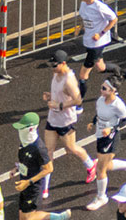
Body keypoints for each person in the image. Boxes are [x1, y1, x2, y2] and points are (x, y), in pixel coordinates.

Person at [83, 73, 126, 210]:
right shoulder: (101, 100)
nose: (101, 90)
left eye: (104, 88)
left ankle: (102, 197)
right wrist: (93, 122)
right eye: (102, 87)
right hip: (100, 134)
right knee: (105, 166)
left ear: (113, 90)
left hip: (111, 138)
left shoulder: (118, 105)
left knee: (100, 169)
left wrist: (111, 128)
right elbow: (99, 113)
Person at [41, 54, 91, 187]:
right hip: (52, 119)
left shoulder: (69, 80)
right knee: (48, 151)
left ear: (63, 63)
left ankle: (90, 166)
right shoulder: (56, 75)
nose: (53, 68)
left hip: (65, 121)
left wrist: (60, 106)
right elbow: (60, 94)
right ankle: (45, 186)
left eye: (55, 65)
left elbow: (78, 100)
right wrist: (51, 96)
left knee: (71, 148)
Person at [10, 113, 71, 220]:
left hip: (32, 186)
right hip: (24, 183)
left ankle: (57, 217)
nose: (20, 131)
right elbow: (25, 160)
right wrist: (16, 168)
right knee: (22, 217)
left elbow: (49, 169)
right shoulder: (24, 143)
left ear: (31, 129)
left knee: (29, 218)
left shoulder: (39, 148)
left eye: (22, 128)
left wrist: (28, 182)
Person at [76, 0, 119, 89]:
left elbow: (114, 19)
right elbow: (84, 17)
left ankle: (79, 101)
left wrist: (101, 34)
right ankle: (123, 72)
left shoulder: (100, 7)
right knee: (101, 67)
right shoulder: (83, 4)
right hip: (88, 40)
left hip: (97, 43)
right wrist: (80, 27)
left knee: (83, 74)